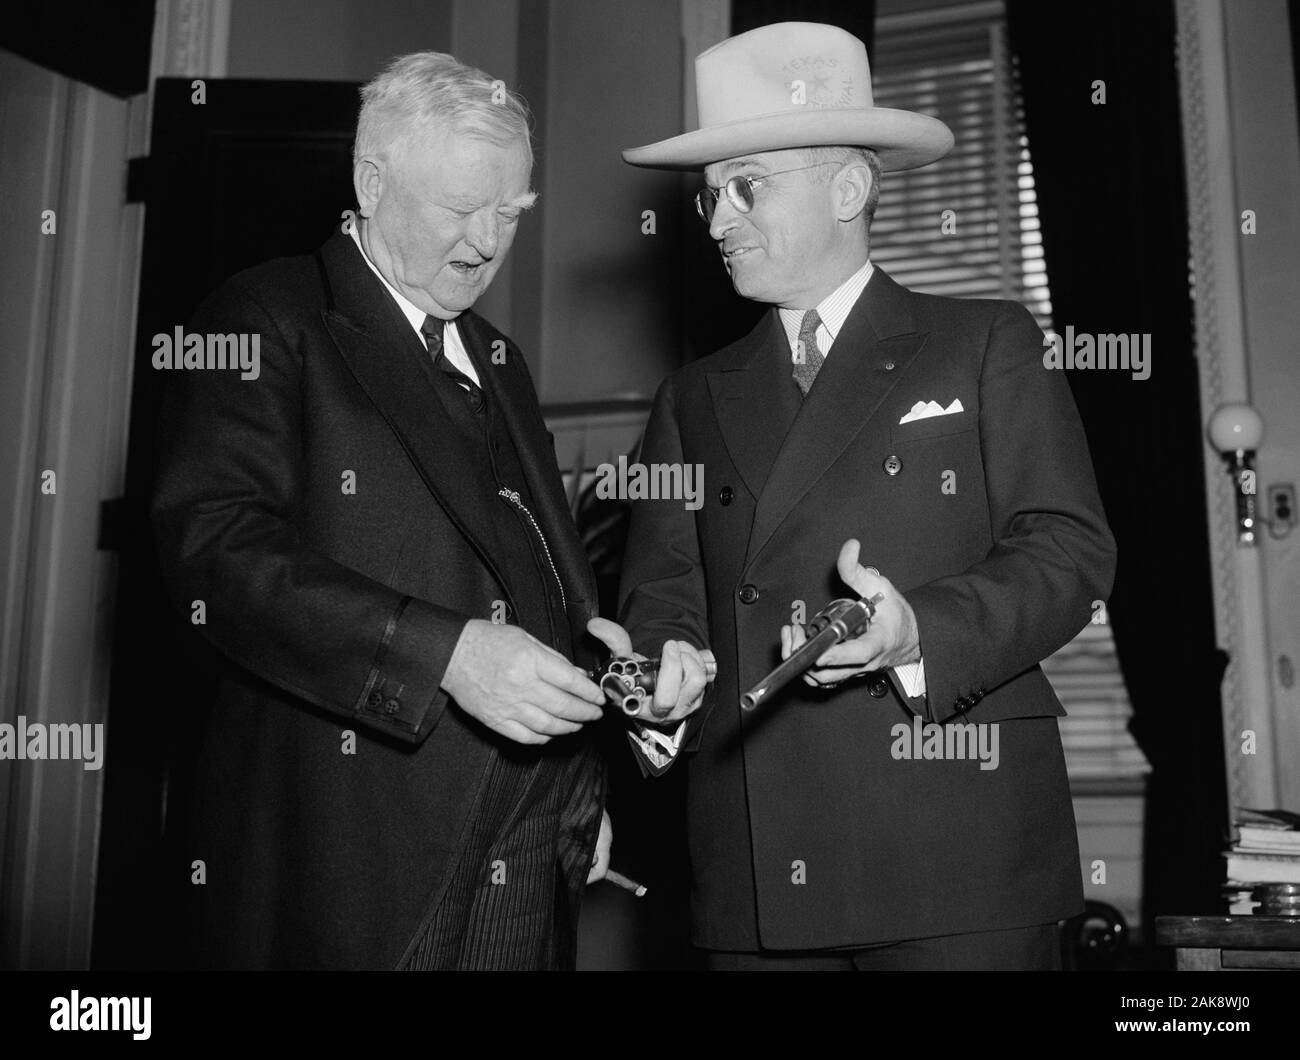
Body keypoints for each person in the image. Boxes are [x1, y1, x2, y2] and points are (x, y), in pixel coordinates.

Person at [609, 21, 1117, 970]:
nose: (719, 221)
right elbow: (664, 593)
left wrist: (919, 630)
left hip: (959, 858)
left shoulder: (989, 342)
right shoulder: (692, 397)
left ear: (848, 188)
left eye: (746, 187)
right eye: (709, 198)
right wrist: (658, 676)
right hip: (759, 864)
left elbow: (1070, 552)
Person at [152, 51, 652, 970]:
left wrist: (580, 789)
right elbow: (214, 550)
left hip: (532, 848)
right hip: (360, 859)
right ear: (370, 183)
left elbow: (538, 572)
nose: (487, 242)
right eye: (461, 210)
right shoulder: (265, 315)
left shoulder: (498, 356)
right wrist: (446, 654)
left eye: (510, 214)